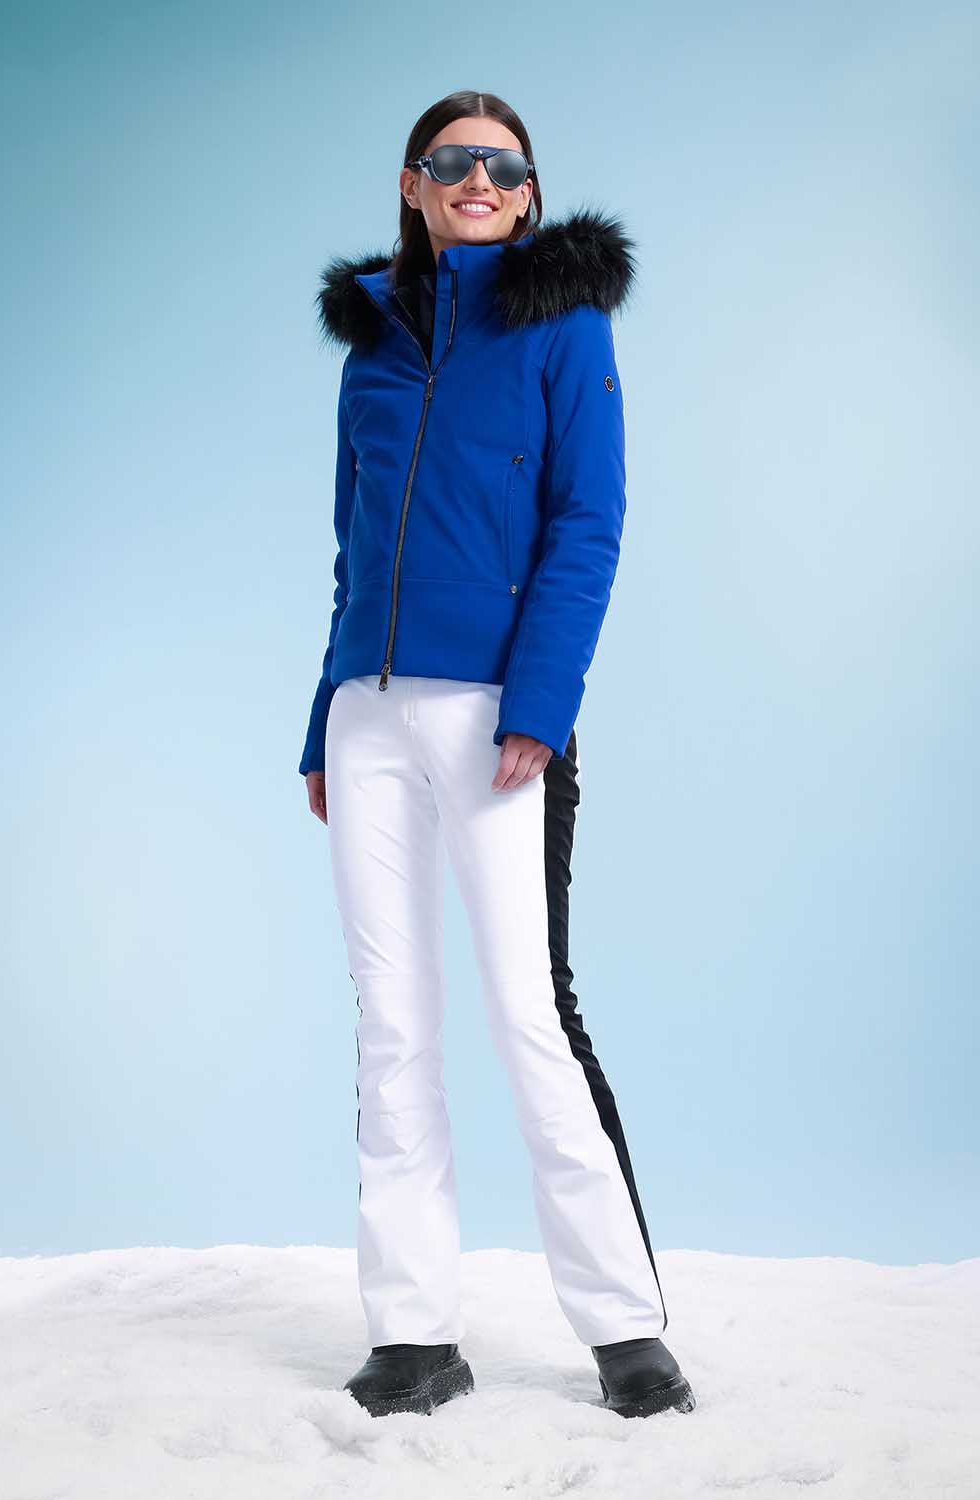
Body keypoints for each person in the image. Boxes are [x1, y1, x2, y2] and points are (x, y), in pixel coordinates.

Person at [298, 90, 696, 1422]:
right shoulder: (372, 341)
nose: (479, 178)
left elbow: (590, 519)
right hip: (367, 715)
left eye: (503, 165)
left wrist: (540, 703)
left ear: (527, 193)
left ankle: (626, 1326)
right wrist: (321, 720)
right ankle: (414, 1334)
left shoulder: (563, 325)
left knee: (529, 1012)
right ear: (413, 183)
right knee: (392, 1022)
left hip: (496, 721)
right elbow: (352, 548)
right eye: (453, 161)